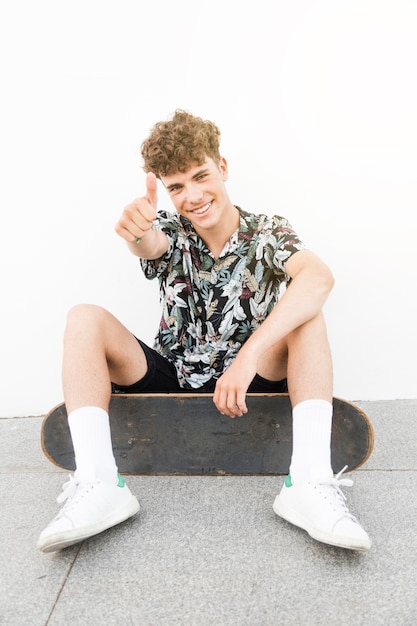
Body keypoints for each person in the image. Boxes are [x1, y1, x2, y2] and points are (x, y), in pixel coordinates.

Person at [38, 109, 371, 553]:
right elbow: (149, 243)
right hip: (173, 373)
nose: (192, 195)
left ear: (223, 168)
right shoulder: (172, 231)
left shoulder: (268, 232)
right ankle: (100, 485)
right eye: (176, 187)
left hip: (251, 381)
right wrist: (134, 235)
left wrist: (248, 358)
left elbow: (319, 278)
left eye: (200, 176)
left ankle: (308, 484)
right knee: (83, 316)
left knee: (308, 313)